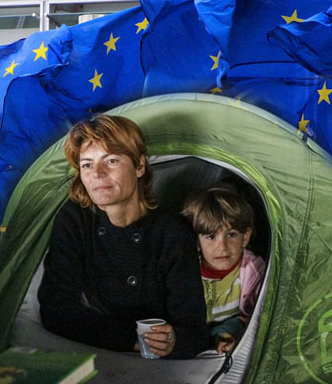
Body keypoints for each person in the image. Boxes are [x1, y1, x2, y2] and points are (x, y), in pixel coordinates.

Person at [37, 114, 210, 359]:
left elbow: (194, 329)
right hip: (99, 350)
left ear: (139, 166)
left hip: (161, 362)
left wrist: (174, 341)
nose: (97, 174)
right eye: (87, 165)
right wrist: (131, 339)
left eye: (111, 160)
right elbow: (55, 308)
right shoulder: (74, 220)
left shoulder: (172, 233)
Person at [182, 183, 266, 354]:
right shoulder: (184, 269)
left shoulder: (253, 271)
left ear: (245, 237)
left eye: (231, 234)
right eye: (211, 237)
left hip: (230, 341)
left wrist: (229, 334)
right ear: (197, 241)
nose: (222, 246)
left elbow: (258, 319)